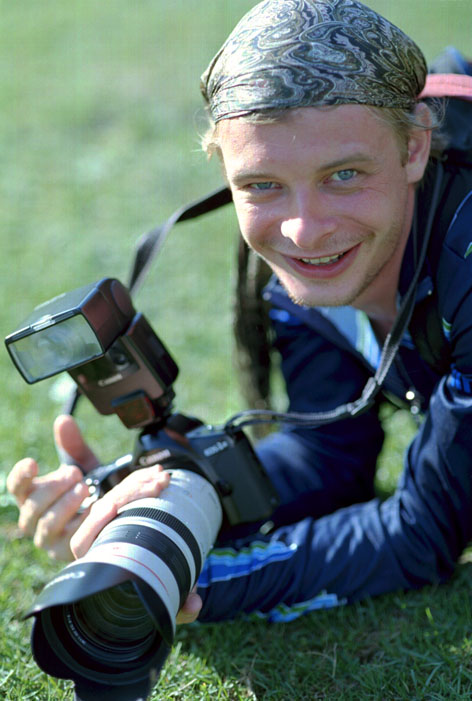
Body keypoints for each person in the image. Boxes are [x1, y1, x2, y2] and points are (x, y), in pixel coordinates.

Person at [7, 0, 472, 625]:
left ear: (415, 149)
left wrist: (198, 585)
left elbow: (427, 532)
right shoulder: (307, 271)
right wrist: (155, 511)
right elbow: (327, 459)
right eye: (261, 185)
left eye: (343, 174)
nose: (304, 232)